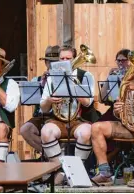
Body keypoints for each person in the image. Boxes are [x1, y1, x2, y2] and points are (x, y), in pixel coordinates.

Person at [39, 45, 96, 184]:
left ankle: (77, 171)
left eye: (68, 59)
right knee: (46, 132)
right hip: (58, 118)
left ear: (75, 59)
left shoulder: (85, 76)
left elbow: (88, 102)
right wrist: (49, 100)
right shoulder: (52, 77)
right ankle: (60, 170)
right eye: (62, 58)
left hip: (78, 119)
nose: (65, 61)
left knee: (87, 132)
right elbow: (43, 108)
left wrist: (74, 90)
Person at [20, 45, 60, 153]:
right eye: (49, 62)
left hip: (58, 118)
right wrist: (41, 85)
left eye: (54, 62)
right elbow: (25, 100)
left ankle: (53, 156)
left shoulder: (64, 79)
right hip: (41, 116)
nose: (51, 65)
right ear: (45, 63)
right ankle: (50, 155)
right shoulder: (36, 80)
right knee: (25, 130)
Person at [98, 49, 131, 122]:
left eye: (123, 60)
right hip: (114, 110)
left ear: (130, 61)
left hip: (129, 111)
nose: (120, 63)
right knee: (96, 126)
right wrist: (109, 77)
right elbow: (101, 99)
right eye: (118, 60)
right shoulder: (115, 76)